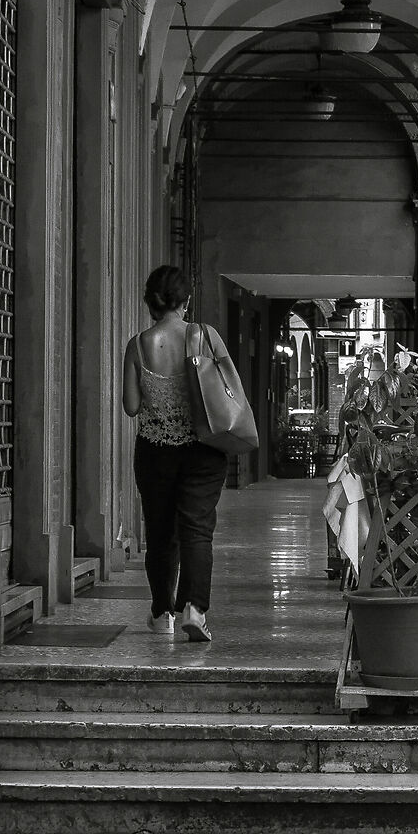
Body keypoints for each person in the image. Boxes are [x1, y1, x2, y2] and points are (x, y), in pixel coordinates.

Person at [121, 264, 228, 642]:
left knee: (161, 531)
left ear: (150, 301)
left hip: (155, 451)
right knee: (198, 530)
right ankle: (195, 610)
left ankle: (162, 612)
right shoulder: (205, 336)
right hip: (204, 448)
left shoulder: (137, 345)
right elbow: (227, 387)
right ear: (185, 300)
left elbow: (131, 406)